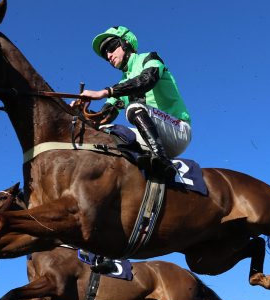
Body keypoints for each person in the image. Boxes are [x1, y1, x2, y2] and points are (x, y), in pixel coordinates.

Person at [80, 25, 192, 182]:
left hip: (178, 131)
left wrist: (105, 92)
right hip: (151, 136)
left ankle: (162, 162)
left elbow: (147, 80)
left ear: (126, 43)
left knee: (134, 107)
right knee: (104, 131)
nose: (109, 55)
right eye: (105, 55)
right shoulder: (123, 82)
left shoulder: (150, 58)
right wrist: (80, 111)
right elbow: (103, 116)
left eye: (111, 47)